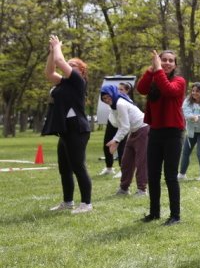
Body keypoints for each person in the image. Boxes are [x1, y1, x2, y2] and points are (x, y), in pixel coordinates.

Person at [43, 35, 93, 214]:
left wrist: (57, 47)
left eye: (73, 65)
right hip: (65, 129)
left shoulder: (79, 82)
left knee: (78, 166)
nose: (69, 66)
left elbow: (59, 59)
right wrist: (51, 52)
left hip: (77, 129)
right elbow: (49, 72)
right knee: (64, 168)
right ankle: (68, 201)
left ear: (82, 71)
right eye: (68, 64)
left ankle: (86, 204)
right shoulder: (63, 83)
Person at [136, 49, 186, 225]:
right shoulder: (154, 78)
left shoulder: (179, 81)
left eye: (170, 61)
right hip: (155, 131)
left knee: (170, 176)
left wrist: (157, 70)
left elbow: (169, 90)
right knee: (153, 175)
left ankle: (175, 216)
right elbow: (141, 89)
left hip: (173, 132)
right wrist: (151, 70)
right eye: (163, 60)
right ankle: (154, 212)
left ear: (175, 65)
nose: (166, 63)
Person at [102, 85, 149, 197]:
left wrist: (115, 141)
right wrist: (116, 140)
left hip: (143, 129)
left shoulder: (120, 104)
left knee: (141, 161)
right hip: (133, 131)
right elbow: (119, 124)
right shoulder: (113, 106)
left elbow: (125, 126)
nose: (107, 100)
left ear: (113, 94)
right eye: (104, 99)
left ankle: (142, 190)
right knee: (126, 161)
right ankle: (124, 189)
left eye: (108, 97)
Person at [178, 82, 200, 180]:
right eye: (193, 91)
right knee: (185, 152)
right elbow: (186, 114)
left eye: (197, 91)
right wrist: (193, 117)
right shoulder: (187, 102)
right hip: (191, 131)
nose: (194, 93)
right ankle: (182, 174)